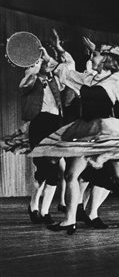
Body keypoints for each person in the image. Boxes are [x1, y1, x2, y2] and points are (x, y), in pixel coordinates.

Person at [29, 32, 119, 235]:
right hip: (86, 134)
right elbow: (66, 74)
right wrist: (47, 58)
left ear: (105, 60)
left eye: (94, 55)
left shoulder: (115, 82)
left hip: (107, 134)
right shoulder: (87, 79)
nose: (91, 57)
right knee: (70, 175)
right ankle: (69, 220)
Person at [18, 41, 65, 225]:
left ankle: (45, 212)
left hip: (55, 124)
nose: (46, 63)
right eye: (43, 61)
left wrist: (51, 56)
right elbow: (23, 86)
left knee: (53, 171)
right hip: (39, 124)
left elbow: (64, 68)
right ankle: (33, 205)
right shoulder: (32, 76)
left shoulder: (56, 78)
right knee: (43, 170)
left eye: (46, 60)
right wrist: (33, 70)